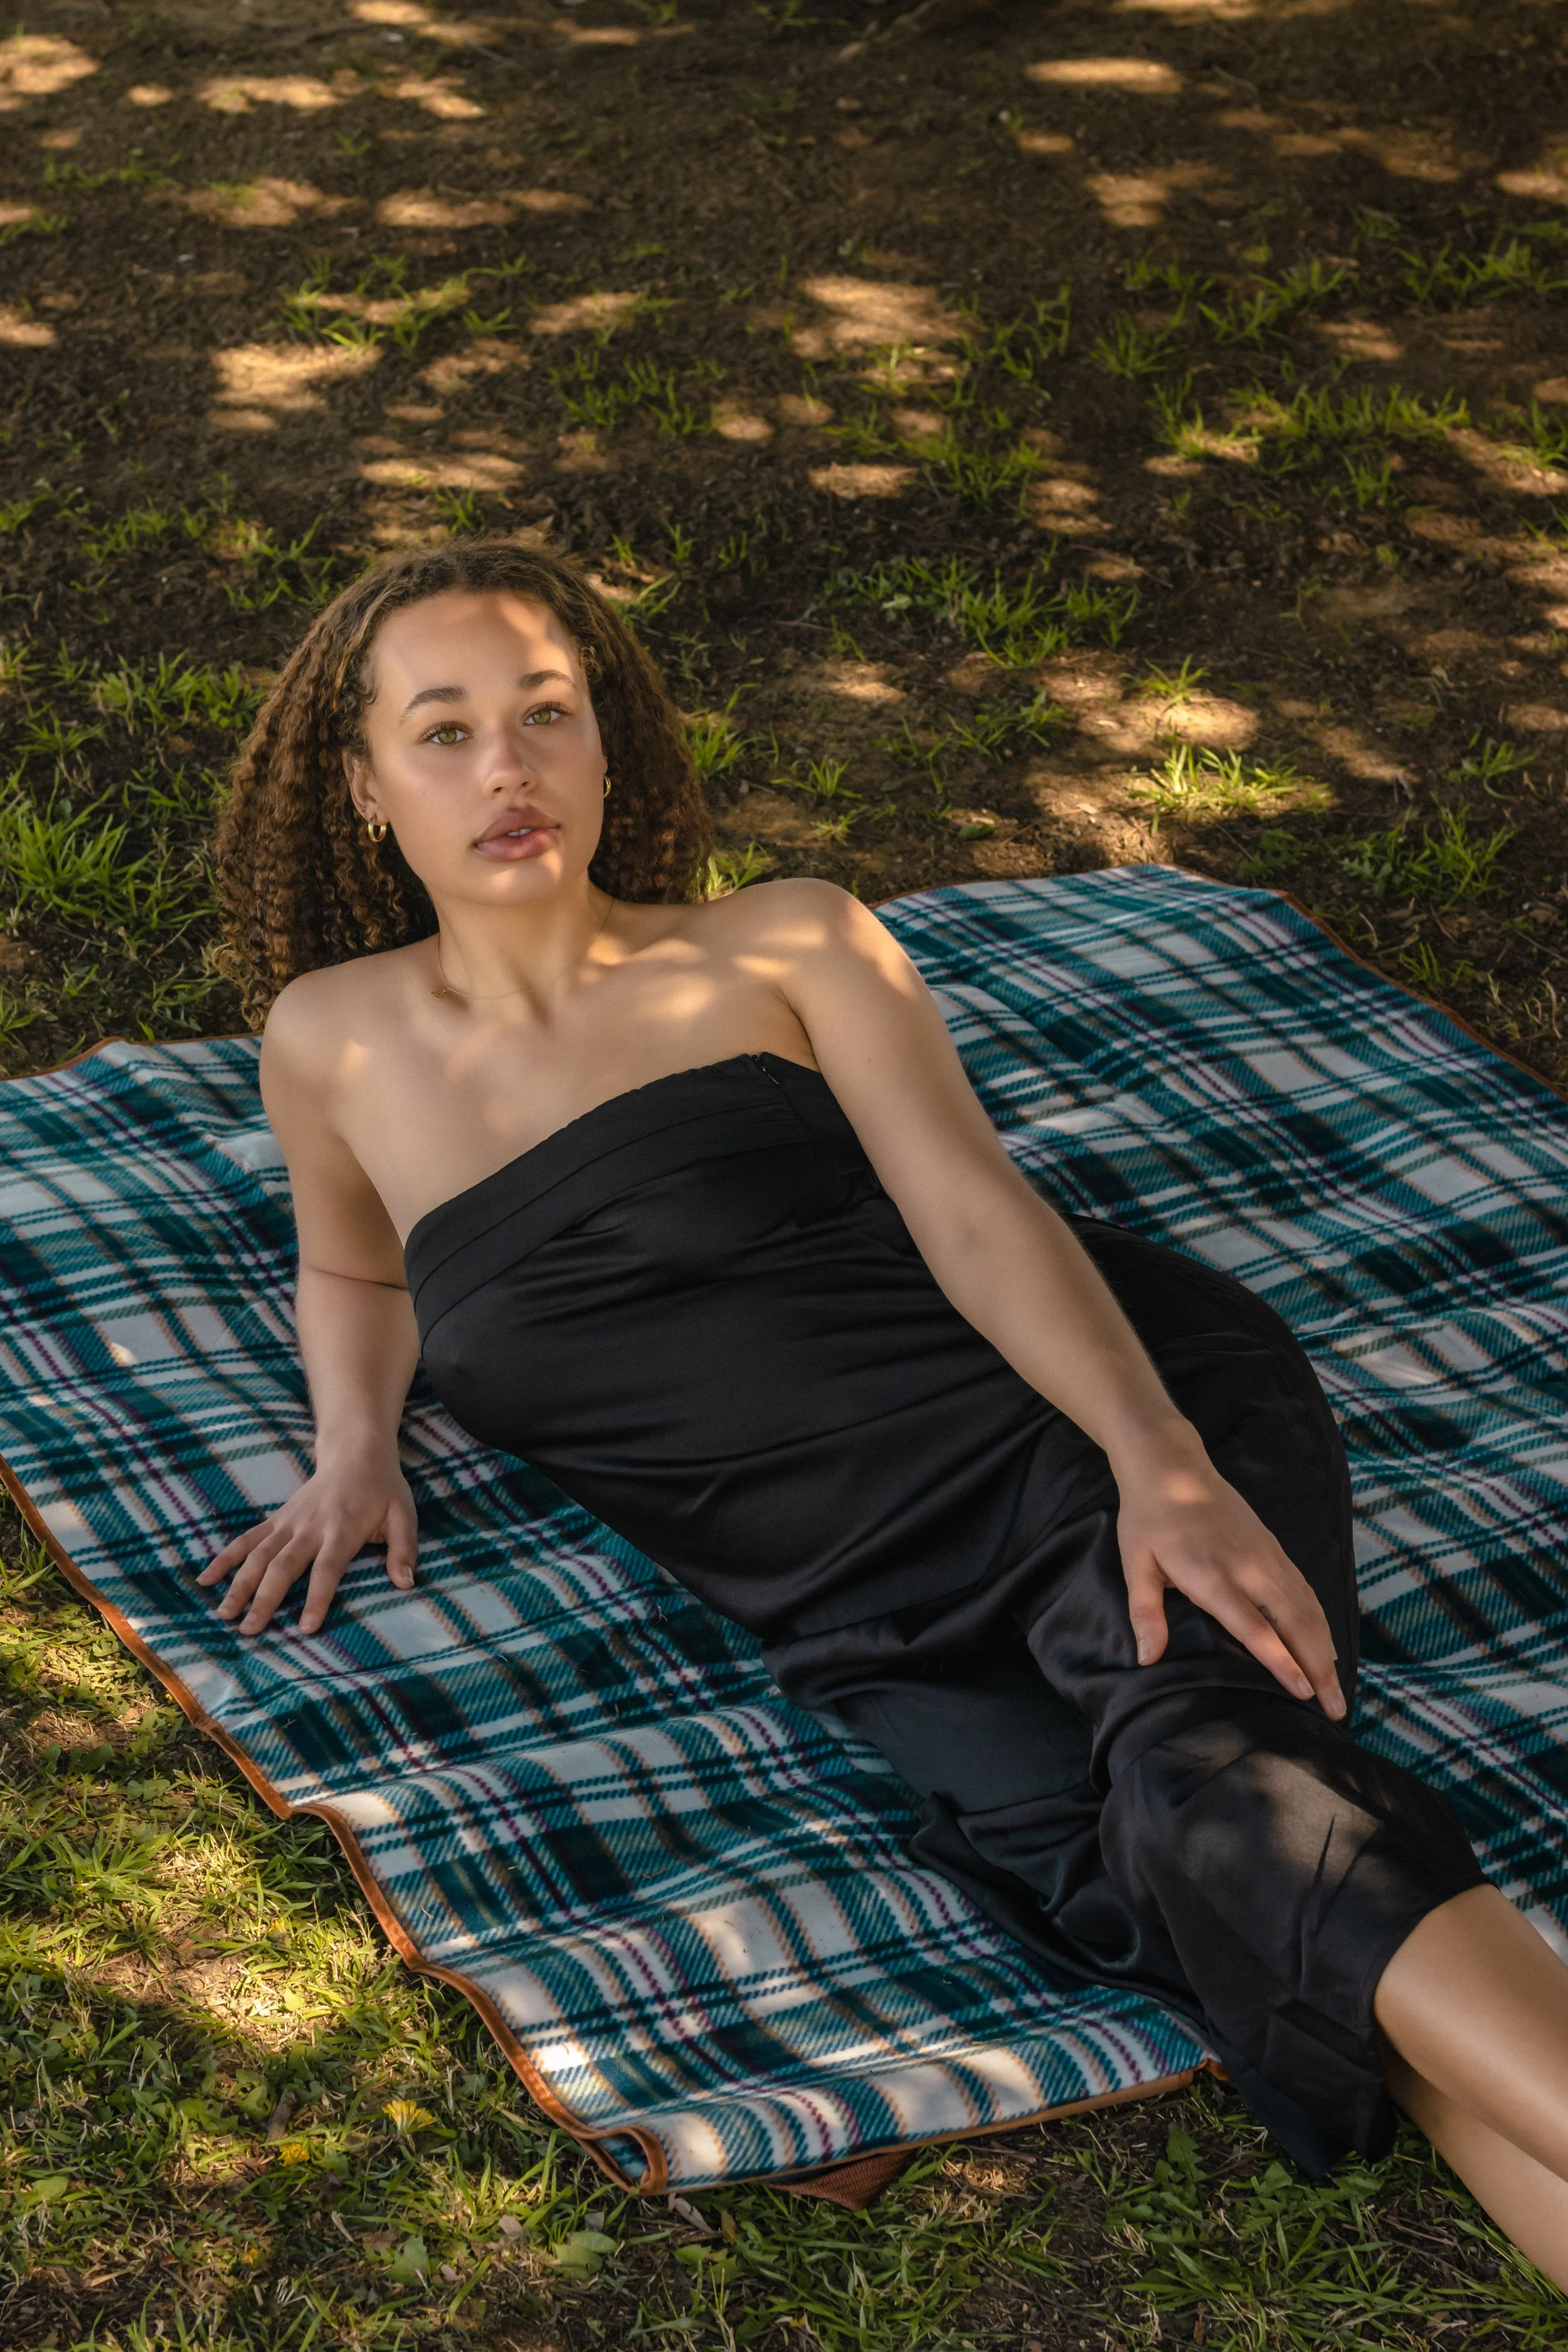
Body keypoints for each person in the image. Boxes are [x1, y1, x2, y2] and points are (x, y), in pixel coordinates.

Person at [206, 537, 1568, 2284]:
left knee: (1220, 1795)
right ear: (363, 783)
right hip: (858, 1608)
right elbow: (361, 1268)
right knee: (1171, 1885)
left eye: (545, 714)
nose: (506, 771)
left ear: (608, 741)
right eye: (445, 731)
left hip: (1067, 1439)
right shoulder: (332, 1039)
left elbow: (976, 1208)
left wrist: (1160, 1464)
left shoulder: (781, 940)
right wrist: (354, 1450)